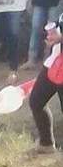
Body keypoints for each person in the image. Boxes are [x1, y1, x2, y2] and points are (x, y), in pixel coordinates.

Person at [29, 14, 63, 153]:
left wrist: (60, 38)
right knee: (36, 101)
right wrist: (55, 34)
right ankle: (46, 144)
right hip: (56, 62)